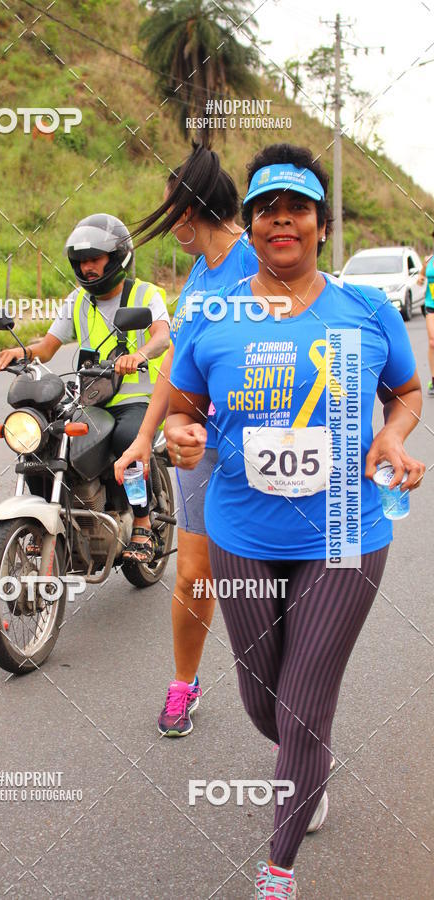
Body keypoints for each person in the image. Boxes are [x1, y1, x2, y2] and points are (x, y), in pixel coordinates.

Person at [165, 143, 425, 898]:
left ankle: (277, 873)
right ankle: (306, 763)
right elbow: (184, 407)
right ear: (249, 226)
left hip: (345, 528)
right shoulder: (214, 313)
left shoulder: (367, 310)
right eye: (267, 210)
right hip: (240, 533)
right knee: (262, 700)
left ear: (320, 225)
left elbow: (406, 392)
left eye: (298, 209)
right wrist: (180, 434)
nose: (283, 221)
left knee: (304, 707)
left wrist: (393, 433)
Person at [114, 142, 258, 737]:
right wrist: (147, 437)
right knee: (195, 574)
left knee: (261, 582)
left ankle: (286, 703)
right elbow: (177, 365)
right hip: (202, 447)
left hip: (264, 450)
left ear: (191, 211)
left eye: (172, 208)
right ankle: (184, 684)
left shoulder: (258, 263)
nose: (168, 221)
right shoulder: (199, 275)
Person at [0, 213, 170, 559]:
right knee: (43, 437)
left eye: (95, 259)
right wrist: (22, 351)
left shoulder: (145, 294)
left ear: (117, 257)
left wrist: (138, 355)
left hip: (136, 401)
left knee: (128, 441)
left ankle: (142, 523)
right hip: (91, 401)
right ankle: (45, 517)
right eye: (81, 261)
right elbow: (48, 347)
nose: (87, 268)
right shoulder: (77, 300)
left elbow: (162, 338)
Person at [417, 232, 434, 395]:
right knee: (432, 341)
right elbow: (421, 276)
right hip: (431, 305)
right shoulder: (428, 260)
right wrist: (420, 279)